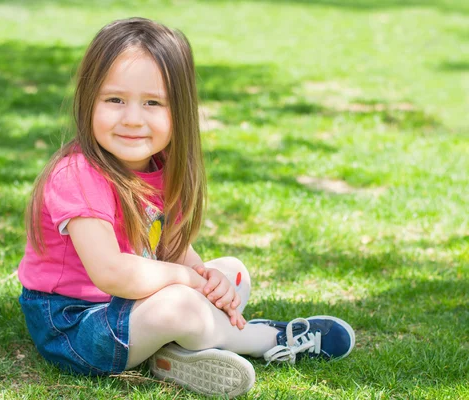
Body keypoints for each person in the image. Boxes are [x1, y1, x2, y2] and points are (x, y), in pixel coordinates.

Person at [18, 17, 355, 398]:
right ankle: (266, 338)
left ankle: (172, 354)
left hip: (130, 307)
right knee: (179, 304)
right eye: (114, 100)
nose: (132, 118)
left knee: (232, 271)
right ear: (88, 100)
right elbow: (111, 272)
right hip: (75, 327)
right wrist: (190, 282)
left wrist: (203, 276)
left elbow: (170, 248)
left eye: (152, 103)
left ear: (178, 110)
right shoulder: (78, 175)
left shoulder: (159, 169)